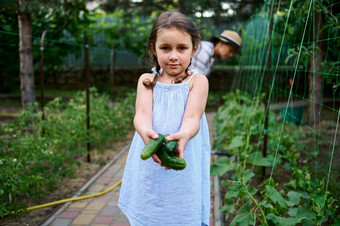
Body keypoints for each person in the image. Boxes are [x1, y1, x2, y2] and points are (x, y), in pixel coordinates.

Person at [118, 11, 211, 226]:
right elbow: (141, 114)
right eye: (165, 48)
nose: (173, 56)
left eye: (182, 48)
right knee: (149, 207)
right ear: (154, 48)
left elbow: (192, 117)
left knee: (180, 207)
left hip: (183, 153)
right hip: (150, 160)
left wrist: (184, 134)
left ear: (194, 49)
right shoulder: (147, 80)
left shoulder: (198, 82)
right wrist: (145, 132)